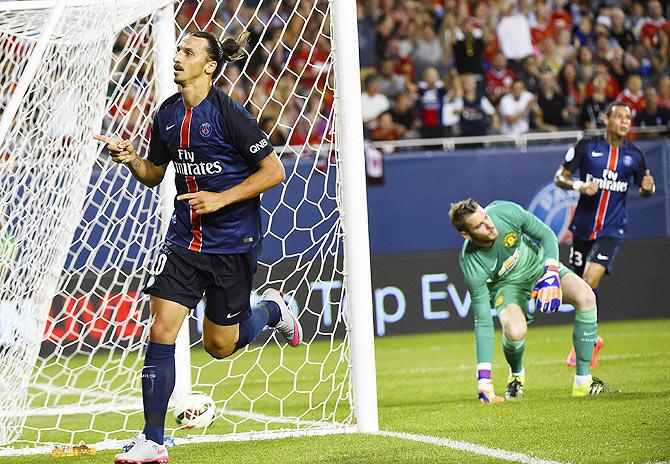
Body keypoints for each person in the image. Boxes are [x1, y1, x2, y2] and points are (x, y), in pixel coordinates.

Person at [94, 30, 303, 464]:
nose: (177, 57)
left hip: (231, 242)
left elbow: (274, 171)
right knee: (161, 329)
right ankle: (153, 440)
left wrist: (221, 198)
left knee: (218, 346)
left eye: (188, 52)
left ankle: (272, 310)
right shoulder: (166, 114)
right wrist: (131, 158)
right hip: (184, 239)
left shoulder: (231, 115)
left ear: (209, 66)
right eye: (177, 51)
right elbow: (154, 173)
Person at [450, 199, 619, 403]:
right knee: (514, 332)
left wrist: (551, 273)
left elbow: (546, 235)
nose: (489, 224)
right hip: (507, 287)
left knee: (586, 296)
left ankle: (583, 382)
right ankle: (516, 375)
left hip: (538, 266)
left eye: (485, 216)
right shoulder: (471, 262)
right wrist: (483, 381)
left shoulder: (505, 211)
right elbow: (483, 320)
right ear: (466, 234)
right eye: (479, 225)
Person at [554, 101, 655, 368]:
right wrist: (579, 184)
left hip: (612, 229)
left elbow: (645, 187)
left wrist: (648, 188)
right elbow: (560, 177)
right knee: (578, 292)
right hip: (583, 228)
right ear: (606, 120)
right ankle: (593, 338)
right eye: (619, 116)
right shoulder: (587, 146)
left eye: (628, 117)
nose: (625, 121)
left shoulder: (635, 155)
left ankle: (582, 347)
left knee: (588, 281)